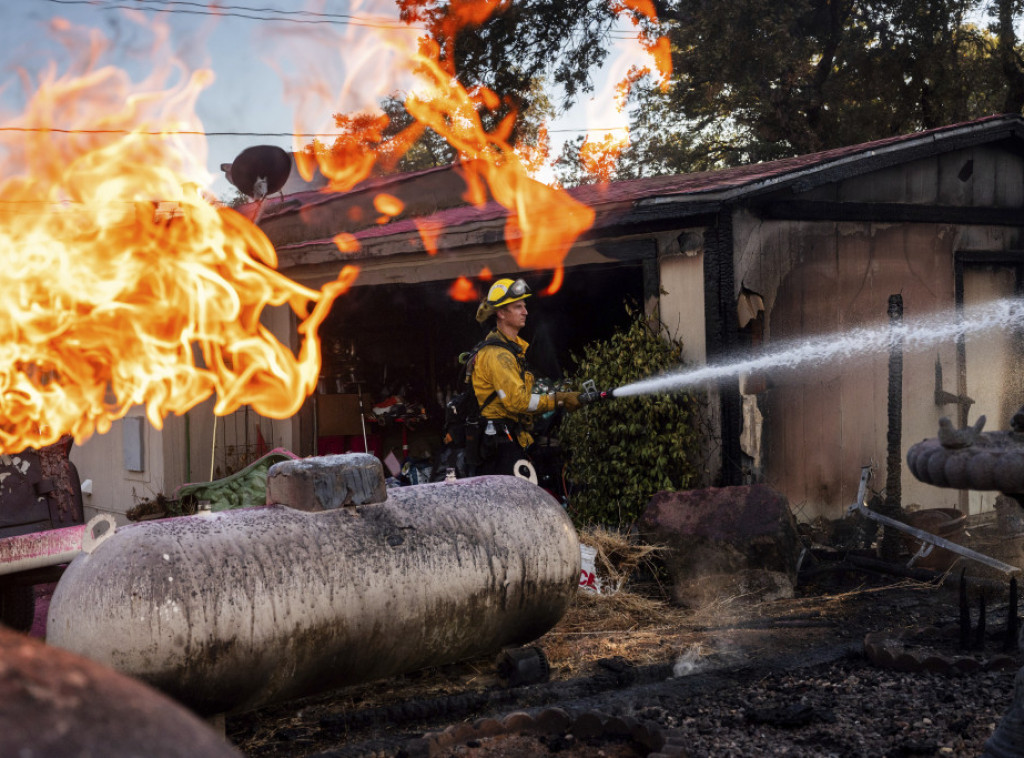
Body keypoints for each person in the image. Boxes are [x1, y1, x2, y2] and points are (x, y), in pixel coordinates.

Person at [471, 277, 581, 476]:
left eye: (525, 306)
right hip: (499, 446)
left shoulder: (513, 350)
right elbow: (517, 401)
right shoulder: (498, 355)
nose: (525, 312)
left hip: (510, 437)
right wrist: (558, 399)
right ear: (502, 313)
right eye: (518, 307)